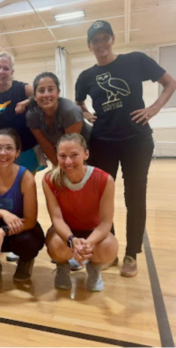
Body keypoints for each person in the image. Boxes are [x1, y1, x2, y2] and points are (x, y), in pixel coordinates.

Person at [75, 20, 176, 277]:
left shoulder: (135, 60)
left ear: (112, 39)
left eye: (104, 38)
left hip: (136, 141)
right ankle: (109, 248)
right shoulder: (86, 76)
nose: (101, 44)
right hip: (103, 143)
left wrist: (153, 109)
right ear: (89, 45)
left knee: (135, 197)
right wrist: (86, 112)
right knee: (101, 201)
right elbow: (78, 102)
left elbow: (170, 83)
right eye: (95, 40)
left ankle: (132, 253)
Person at [0, 51, 46, 262]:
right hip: (1, 149)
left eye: (6, 68)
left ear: (12, 72)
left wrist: (29, 101)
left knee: (20, 196)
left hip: (25, 151)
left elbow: (40, 96)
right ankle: (0, 226)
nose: (1, 72)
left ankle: (17, 238)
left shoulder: (23, 88)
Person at [43, 133, 118, 292]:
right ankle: (63, 266)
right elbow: (57, 219)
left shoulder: (105, 179)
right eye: (62, 156)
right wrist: (71, 240)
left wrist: (87, 244)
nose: (68, 161)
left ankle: (94, 268)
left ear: (86, 154)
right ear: (56, 156)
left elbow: (106, 222)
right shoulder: (50, 179)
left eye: (74, 155)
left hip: (93, 231)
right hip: (67, 232)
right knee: (55, 245)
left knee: (109, 247)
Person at [0, 128, 45, 286]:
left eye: (9, 148)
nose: (2, 153)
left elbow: (30, 221)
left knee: (28, 241)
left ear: (18, 152)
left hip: (20, 228)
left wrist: (3, 231)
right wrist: (3, 213)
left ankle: (25, 261)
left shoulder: (25, 177)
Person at [26, 72, 92, 167]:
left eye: (50, 89)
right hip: (62, 151)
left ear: (58, 93)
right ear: (35, 97)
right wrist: (59, 168)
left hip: (89, 147)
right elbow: (46, 146)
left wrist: (66, 168)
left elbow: (71, 146)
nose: (46, 94)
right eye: (41, 90)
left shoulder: (70, 111)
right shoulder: (32, 115)